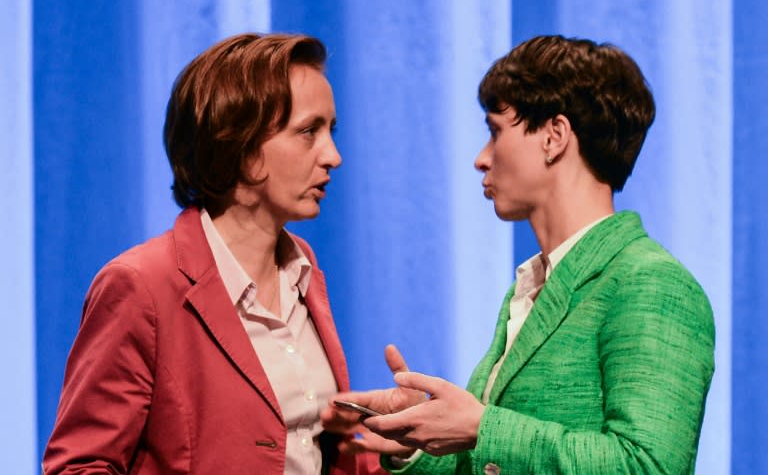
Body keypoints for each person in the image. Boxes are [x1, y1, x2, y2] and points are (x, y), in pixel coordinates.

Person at [322, 35, 715, 474]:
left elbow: (648, 466)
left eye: (494, 131)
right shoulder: (534, 285)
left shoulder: (650, 282)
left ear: (554, 136)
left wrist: (482, 427)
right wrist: (411, 435)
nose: (481, 158)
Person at [43, 33, 382, 475]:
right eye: (307, 132)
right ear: (240, 146)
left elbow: (311, 451)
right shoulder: (140, 285)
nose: (333, 156)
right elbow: (79, 466)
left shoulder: (304, 268)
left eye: (330, 131)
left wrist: (395, 439)